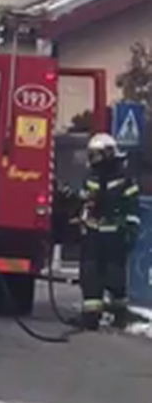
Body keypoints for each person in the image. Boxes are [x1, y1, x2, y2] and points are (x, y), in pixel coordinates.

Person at [79, 132, 140, 330]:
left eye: (96, 154)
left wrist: (131, 229)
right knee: (90, 274)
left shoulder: (124, 179)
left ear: (108, 153)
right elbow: (84, 200)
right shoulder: (91, 177)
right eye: (91, 154)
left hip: (115, 235)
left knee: (115, 277)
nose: (93, 159)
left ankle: (119, 314)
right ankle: (90, 316)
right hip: (93, 234)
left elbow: (132, 206)